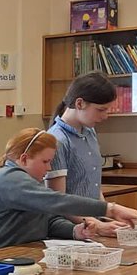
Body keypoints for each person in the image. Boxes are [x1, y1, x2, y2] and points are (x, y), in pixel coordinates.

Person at [0, 128, 137, 253]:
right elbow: (56, 201)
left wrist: (75, 231)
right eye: (45, 161)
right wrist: (111, 209)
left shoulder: (29, 180)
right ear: (24, 159)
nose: (49, 168)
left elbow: (45, 219)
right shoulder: (8, 178)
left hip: (15, 257)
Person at [46, 71, 117, 199]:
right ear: (79, 104)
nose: (105, 116)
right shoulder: (57, 140)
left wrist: (107, 214)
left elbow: (94, 187)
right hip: (71, 218)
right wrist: (91, 220)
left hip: (93, 217)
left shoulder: (90, 133)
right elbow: (58, 202)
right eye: (101, 110)